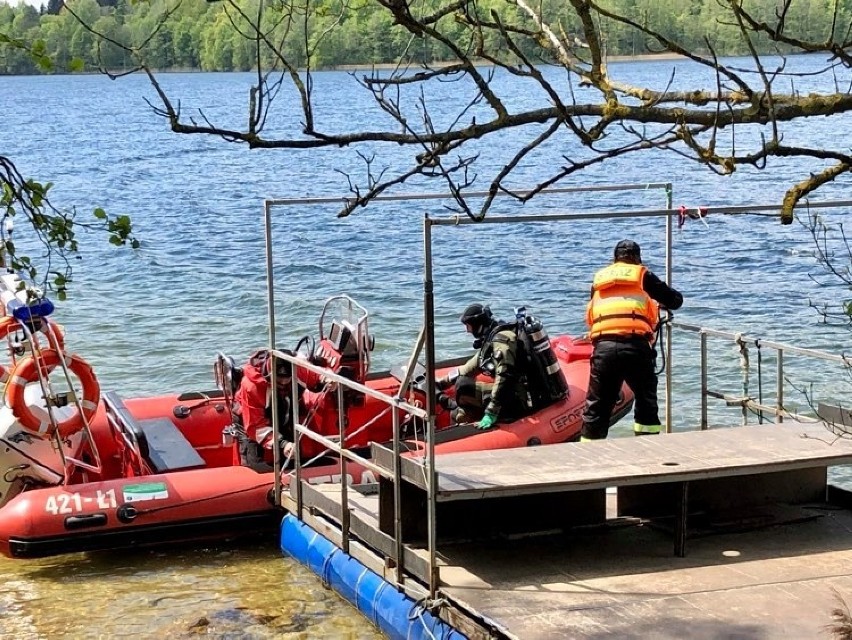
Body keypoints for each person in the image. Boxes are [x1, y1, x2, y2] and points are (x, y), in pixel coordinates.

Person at [580, 240, 683, 440]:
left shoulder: (598, 281)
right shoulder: (642, 274)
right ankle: (647, 449)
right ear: (637, 258)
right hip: (636, 347)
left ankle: (589, 453)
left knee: (596, 407)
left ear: (614, 259)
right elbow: (675, 300)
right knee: (646, 401)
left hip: (604, 348)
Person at [436, 303, 530, 430]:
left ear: (477, 324)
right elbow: (469, 367)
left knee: (463, 386)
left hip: (516, 398)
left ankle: (455, 406)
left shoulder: (501, 341)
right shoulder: (491, 337)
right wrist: (440, 383)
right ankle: (459, 413)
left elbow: (504, 376)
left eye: (468, 326)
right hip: (509, 393)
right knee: (458, 413)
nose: (467, 330)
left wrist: (491, 412)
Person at [231, 349, 299, 471]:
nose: (284, 382)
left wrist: (325, 379)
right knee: (254, 465)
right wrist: (283, 444)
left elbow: (312, 376)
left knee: (293, 455)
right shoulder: (252, 387)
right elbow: (255, 426)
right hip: (249, 421)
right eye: (279, 378)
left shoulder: (296, 367)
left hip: (278, 413)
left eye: (287, 378)